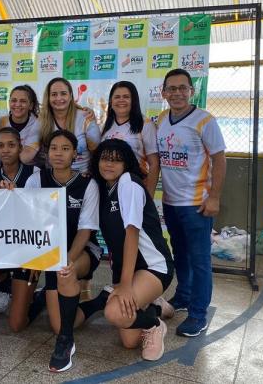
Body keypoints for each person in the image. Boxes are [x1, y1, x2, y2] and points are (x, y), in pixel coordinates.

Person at [84, 139, 174, 361]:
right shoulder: (102, 188)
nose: (109, 164)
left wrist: (124, 286)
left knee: (114, 313)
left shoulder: (128, 183)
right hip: (129, 269)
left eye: (117, 160)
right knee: (129, 341)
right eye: (105, 158)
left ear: (126, 164)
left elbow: (131, 235)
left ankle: (154, 325)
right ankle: (154, 305)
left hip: (153, 267)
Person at [157, 68, 226, 337]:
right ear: (163, 93)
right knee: (180, 254)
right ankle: (183, 296)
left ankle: (199, 314)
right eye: (171, 88)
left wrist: (215, 197)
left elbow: (220, 160)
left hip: (198, 205)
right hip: (172, 203)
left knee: (200, 261)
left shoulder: (205, 120)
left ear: (191, 91)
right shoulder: (162, 119)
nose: (176, 93)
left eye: (182, 88)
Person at [25, 130, 101, 373]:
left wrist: (66, 259)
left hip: (81, 250)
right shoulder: (37, 180)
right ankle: (99, 302)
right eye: (54, 148)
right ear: (47, 153)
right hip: (49, 252)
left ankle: (65, 342)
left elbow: (85, 231)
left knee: (65, 273)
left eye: (65, 148)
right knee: (56, 322)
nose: (59, 153)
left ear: (75, 153)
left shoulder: (87, 184)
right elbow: (25, 219)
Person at [0, 127, 40, 322]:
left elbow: (39, 214)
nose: (5, 150)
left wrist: (15, 197)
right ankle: (3, 288)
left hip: (28, 240)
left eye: (11, 145)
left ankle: (37, 293)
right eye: (0, 145)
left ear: (20, 147)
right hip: (0, 237)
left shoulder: (35, 173)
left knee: (17, 320)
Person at [101, 80, 159, 197]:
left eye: (126, 97)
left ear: (134, 101)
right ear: (111, 102)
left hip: (134, 188)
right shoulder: (105, 126)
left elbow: (154, 164)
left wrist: (149, 195)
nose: (121, 100)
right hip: (108, 190)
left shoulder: (145, 125)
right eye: (117, 97)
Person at [38, 77, 101, 172]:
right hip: (52, 179)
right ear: (48, 97)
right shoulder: (41, 121)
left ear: (71, 95)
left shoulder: (85, 117)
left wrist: (91, 174)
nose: (59, 98)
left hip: (82, 176)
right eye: (54, 94)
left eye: (63, 93)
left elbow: (96, 152)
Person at [0, 85, 41, 165]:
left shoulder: (38, 124)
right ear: (9, 103)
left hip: (29, 171)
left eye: (23, 101)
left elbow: (25, 157)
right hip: (3, 170)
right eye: (14, 100)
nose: (17, 104)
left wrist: (1, 169)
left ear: (31, 105)